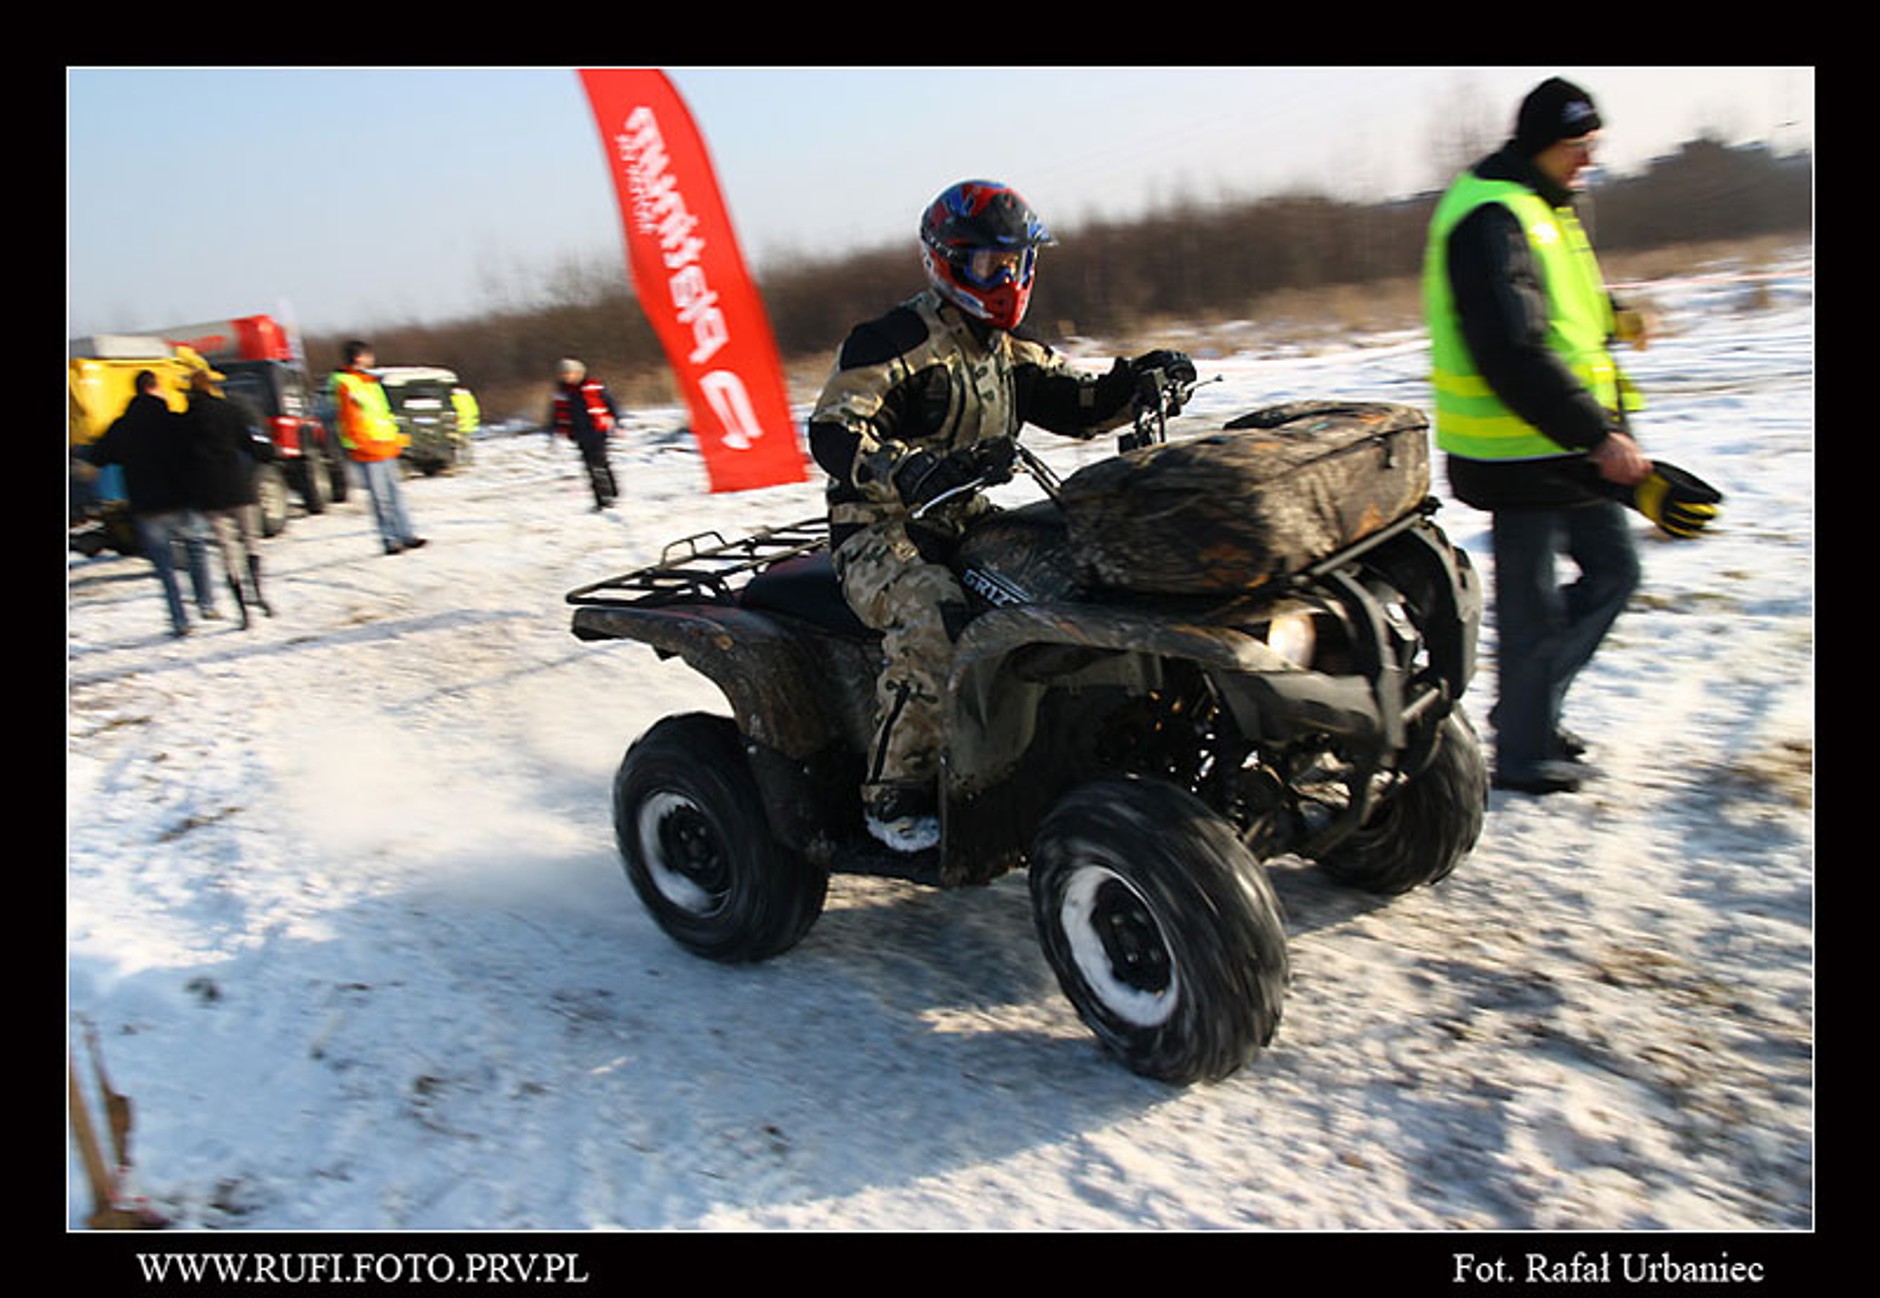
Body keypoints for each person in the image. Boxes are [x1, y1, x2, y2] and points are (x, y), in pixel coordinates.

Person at [808, 178, 1195, 851]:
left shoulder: (1007, 348)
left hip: (962, 516)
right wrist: (904, 466)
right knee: (933, 616)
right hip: (880, 529)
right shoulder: (892, 340)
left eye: (1018, 262)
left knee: (1074, 574)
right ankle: (893, 791)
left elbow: (1079, 403)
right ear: (947, 261)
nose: (1008, 277)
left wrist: (1138, 385)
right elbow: (833, 430)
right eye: (991, 263)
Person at [1422, 77, 1653, 795]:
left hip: (1556, 444)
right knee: (1534, 607)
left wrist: (1612, 315)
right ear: (1544, 144)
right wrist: (1598, 437)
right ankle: (1522, 748)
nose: (1588, 161)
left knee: (1616, 573)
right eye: (1578, 147)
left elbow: (1544, 310)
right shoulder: (1492, 215)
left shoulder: (1539, 204)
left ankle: (1529, 715)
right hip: (1517, 451)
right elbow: (1510, 347)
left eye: (1592, 146)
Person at [81, 369, 216, 638]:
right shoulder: (172, 421)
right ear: (153, 388)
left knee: (164, 567)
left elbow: (98, 456)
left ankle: (180, 620)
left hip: (146, 506)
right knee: (196, 548)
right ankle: (206, 603)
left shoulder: (121, 426)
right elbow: (196, 450)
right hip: (180, 499)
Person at [177, 347, 274, 628]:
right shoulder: (230, 410)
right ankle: (258, 592)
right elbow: (252, 444)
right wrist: (267, 453)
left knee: (226, 549)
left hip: (209, 494)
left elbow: (180, 458)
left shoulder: (184, 421)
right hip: (238, 486)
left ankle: (243, 610)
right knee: (251, 541)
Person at [330, 341, 427, 555]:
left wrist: (395, 439)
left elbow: (381, 414)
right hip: (368, 450)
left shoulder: (370, 382)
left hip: (385, 446)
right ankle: (389, 539)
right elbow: (350, 420)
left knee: (395, 494)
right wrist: (361, 443)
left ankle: (406, 534)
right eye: (367, 355)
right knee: (380, 498)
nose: (371, 359)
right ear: (358, 358)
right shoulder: (346, 383)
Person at [547, 358, 620, 510]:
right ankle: (609, 493)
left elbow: (611, 404)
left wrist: (616, 422)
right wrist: (554, 432)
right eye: (562, 374)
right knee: (592, 465)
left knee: (597, 465)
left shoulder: (594, 387)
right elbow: (556, 415)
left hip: (597, 431)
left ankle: (605, 499)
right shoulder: (562, 393)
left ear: (579, 373)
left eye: (569, 373)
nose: (566, 377)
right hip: (578, 434)